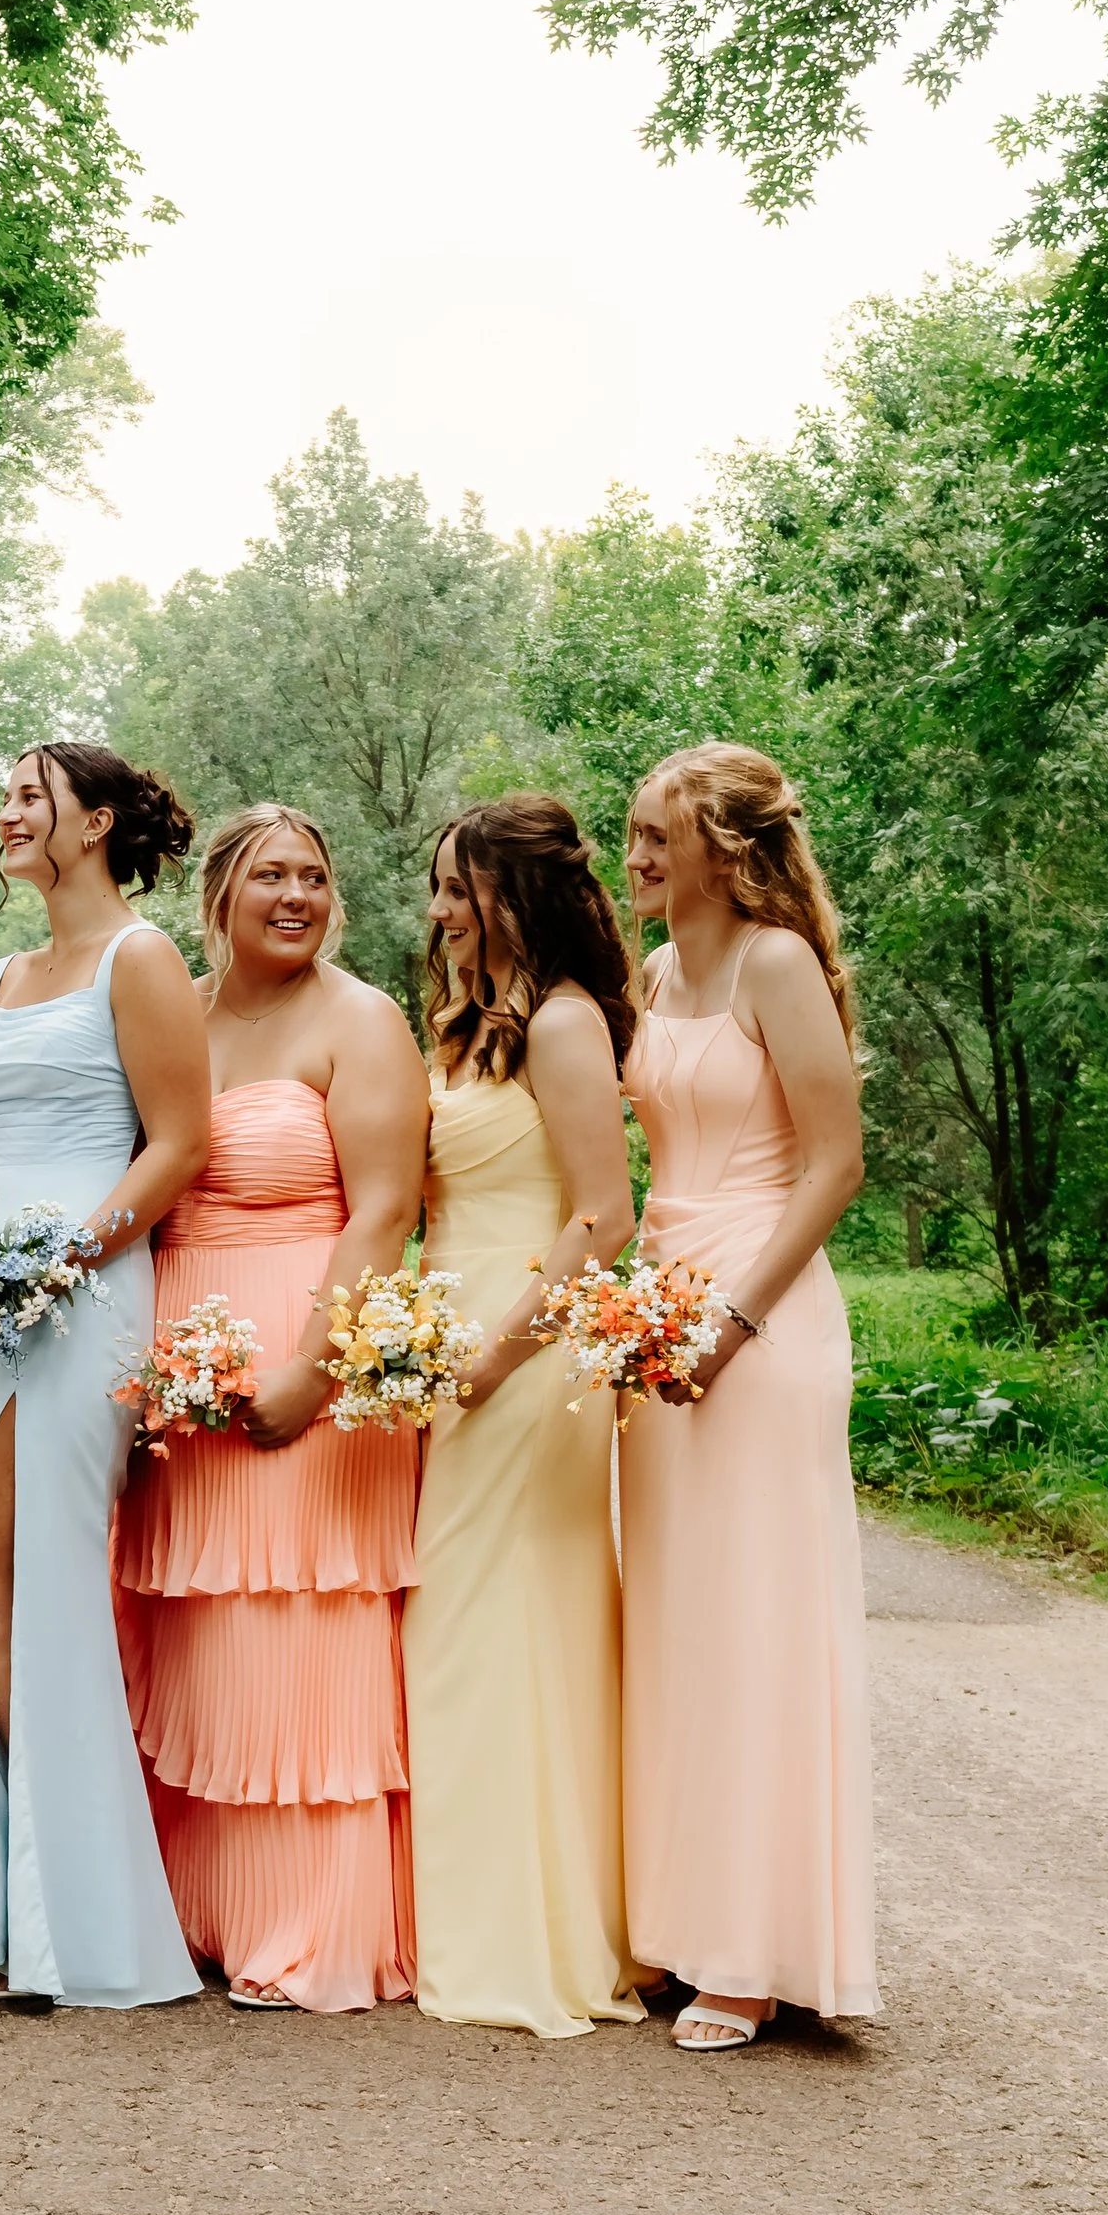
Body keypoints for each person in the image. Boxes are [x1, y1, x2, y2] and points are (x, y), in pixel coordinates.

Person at [115, 806, 427, 2010]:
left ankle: (306, 1929)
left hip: (310, 1353)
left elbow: (385, 1206)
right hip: (176, 1370)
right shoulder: (172, 1014)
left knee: (295, 1632)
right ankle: (195, 1911)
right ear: (220, 892)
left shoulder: (361, 1020)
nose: (294, 896)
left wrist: (314, 1367)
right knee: (189, 1634)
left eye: (312, 877)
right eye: (269, 877)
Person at [0, 742, 211, 2008]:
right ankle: (30, 1909)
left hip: (85, 1289)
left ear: (93, 823)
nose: (5, 813)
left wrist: (64, 1256)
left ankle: (83, 1930)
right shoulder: (1, 975)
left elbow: (178, 1143)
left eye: (28, 798)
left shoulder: (138, 959)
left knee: (15, 1595)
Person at [620, 744, 875, 2048]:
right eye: (632, 835)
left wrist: (734, 1316)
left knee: (758, 1618)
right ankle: (682, 1923)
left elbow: (836, 1164)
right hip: (662, 1298)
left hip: (763, 1312)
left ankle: (757, 1950)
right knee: (677, 1622)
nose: (639, 859)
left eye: (660, 837)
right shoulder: (656, 973)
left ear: (725, 846)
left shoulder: (776, 964)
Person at [404, 794, 644, 2039]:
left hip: (526, 1351)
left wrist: (498, 1357)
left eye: (458, 888)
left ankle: (529, 1932)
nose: (439, 912)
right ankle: (469, 1903)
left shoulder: (560, 1024)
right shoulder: (466, 1029)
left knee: (503, 1628)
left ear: (513, 896)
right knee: (458, 1631)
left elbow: (604, 1215)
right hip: (450, 1337)